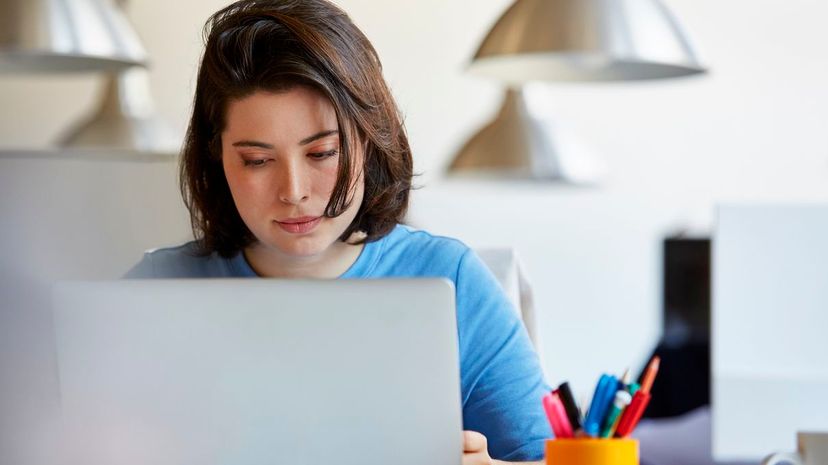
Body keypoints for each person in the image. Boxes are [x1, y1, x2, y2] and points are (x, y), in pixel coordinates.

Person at [125, 0, 551, 462]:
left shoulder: (451, 279)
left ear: (367, 140)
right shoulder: (154, 289)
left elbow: (544, 455)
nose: (293, 191)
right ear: (218, 159)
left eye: (323, 152)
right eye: (257, 160)